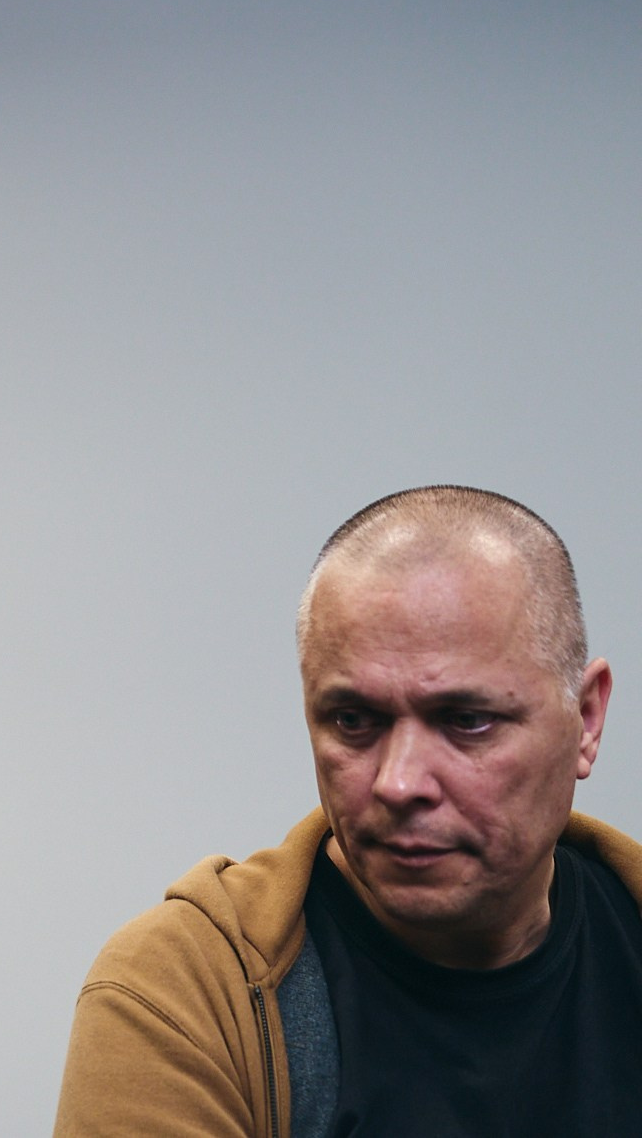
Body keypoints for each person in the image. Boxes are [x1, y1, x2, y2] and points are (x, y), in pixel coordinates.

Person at [53, 485, 642, 1137]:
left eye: (467, 720)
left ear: (586, 719)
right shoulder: (193, 988)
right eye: (354, 720)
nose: (398, 782)